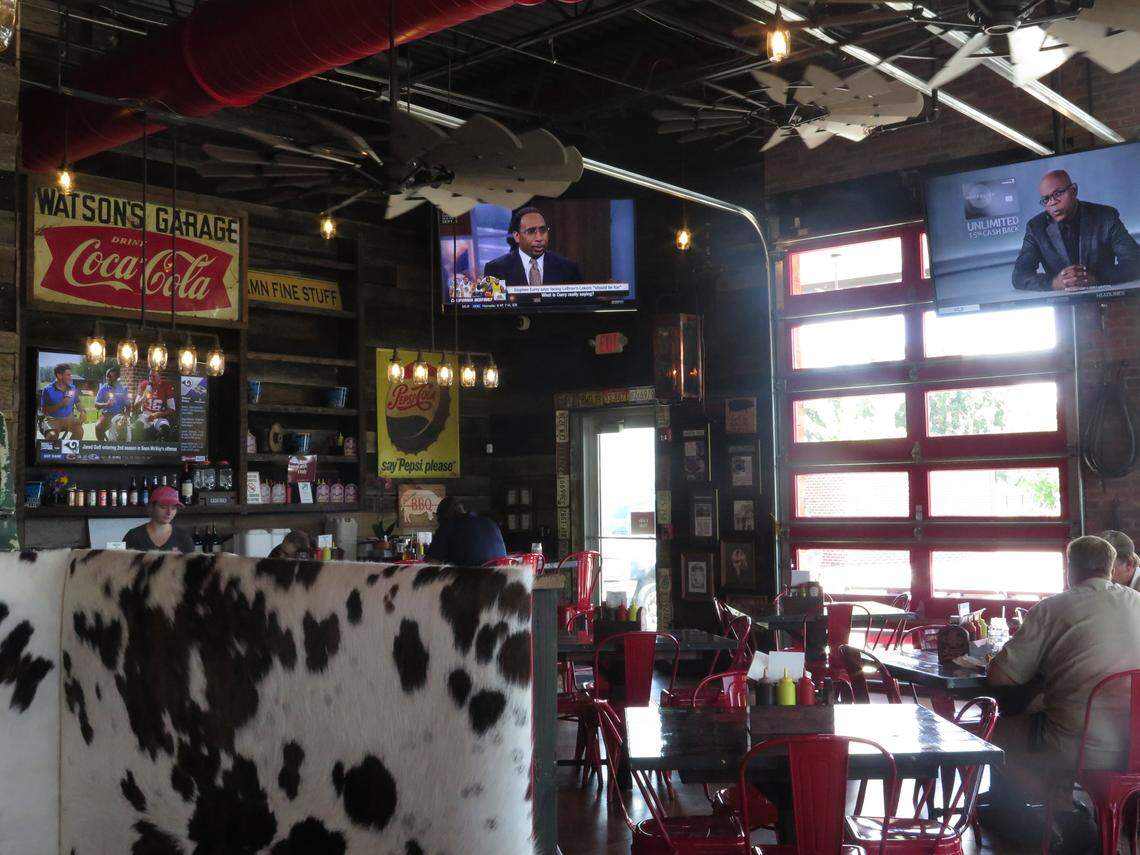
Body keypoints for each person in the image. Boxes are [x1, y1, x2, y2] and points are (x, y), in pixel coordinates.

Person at [986, 535, 1140, 849]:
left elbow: (1001, 676)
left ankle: (1060, 807)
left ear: (1070, 569)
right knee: (1052, 711)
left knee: (994, 735)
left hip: (1082, 747)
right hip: (1135, 744)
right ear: (1111, 569)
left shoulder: (1053, 607)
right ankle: (1071, 806)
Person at [1012, 169, 1140, 292]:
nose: (1052, 203)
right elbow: (1019, 276)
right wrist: (1054, 283)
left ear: (1074, 190)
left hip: (1106, 300)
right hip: (1062, 306)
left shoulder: (1106, 217)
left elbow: (1135, 263)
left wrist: (1096, 278)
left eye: (1057, 194)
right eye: (1046, 199)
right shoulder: (1036, 227)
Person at [482, 207, 583, 288]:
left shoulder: (569, 269)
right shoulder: (495, 269)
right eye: (531, 231)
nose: (539, 238)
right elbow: (491, 311)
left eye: (543, 230)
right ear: (517, 236)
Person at [425, 497, 507, 566]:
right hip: (499, 579)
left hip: (470, 580)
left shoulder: (449, 525)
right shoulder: (489, 522)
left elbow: (431, 563)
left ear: (444, 516)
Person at [123, 485, 196, 553]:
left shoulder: (183, 537)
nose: (169, 512)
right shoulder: (133, 536)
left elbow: (193, 565)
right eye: (163, 507)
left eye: (173, 508)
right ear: (152, 507)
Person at [39, 362, 85, 440]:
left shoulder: (72, 388)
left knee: (80, 431)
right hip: (53, 419)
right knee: (52, 435)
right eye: (68, 375)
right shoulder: (47, 390)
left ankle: (70, 451)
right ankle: (54, 451)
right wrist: (61, 404)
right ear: (59, 375)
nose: (71, 377)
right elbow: (44, 410)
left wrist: (82, 411)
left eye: (70, 375)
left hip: (69, 418)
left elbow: (77, 402)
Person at [135, 369, 177, 440]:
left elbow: (172, 409)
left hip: (160, 416)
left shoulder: (166, 387)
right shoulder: (144, 385)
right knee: (137, 427)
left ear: (159, 377)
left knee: (165, 429)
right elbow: (135, 407)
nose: (151, 378)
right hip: (145, 415)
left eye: (153, 376)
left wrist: (158, 414)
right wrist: (143, 397)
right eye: (150, 376)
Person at [93, 366, 129, 441]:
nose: (108, 378)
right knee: (98, 427)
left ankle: (119, 448)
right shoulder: (103, 388)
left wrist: (125, 416)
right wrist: (106, 404)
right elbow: (96, 404)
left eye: (110, 376)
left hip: (119, 415)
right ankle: (102, 447)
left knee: (121, 430)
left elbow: (128, 406)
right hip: (106, 415)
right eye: (107, 376)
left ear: (117, 378)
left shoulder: (123, 389)